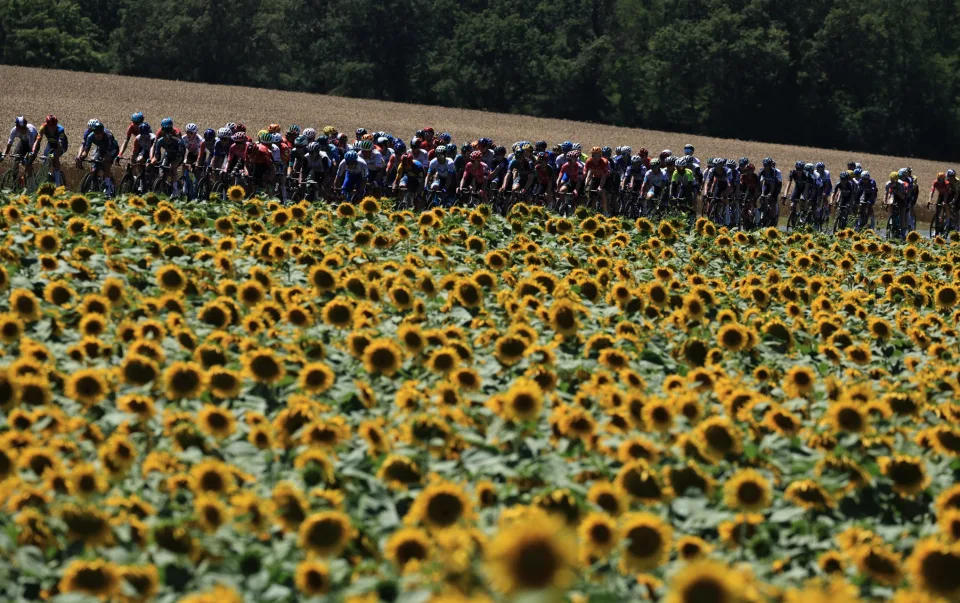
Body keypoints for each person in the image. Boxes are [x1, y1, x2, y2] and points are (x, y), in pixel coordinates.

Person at [76, 120, 119, 196]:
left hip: (113, 149)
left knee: (106, 164)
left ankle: (108, 187)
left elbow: (108, 153)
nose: (97, 135)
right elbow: (86, 151)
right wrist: (81, 157)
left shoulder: (108, 135)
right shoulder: (90, 136)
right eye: (96, 133)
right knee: (94, 167)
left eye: (99, 133)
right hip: (101, 149)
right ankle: (94, 182)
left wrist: (104, 159)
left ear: (103, 132)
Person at [150, 118, 186, 196]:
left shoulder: (177, 133)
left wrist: (175, 164)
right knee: (162, 171)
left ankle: (175, 190)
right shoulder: (160, 138)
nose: (166, 136)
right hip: (168, 153)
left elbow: (181, 151)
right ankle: (162, 188)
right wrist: (153, 160)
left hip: (178, 154)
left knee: (173, 167)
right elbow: (156, 153)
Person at [31, 114, 68, 186]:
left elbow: (60, 145)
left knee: (55, 158)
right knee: (45, 160)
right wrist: (33, 151)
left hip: (61, 145)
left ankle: (57, 182)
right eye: (50, 126)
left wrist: (54, 154)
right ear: (47, 124)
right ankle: (46, 175)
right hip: (50, 144)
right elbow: (37, 141)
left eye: (54, 126)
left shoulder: (60, 129)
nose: (52, 128)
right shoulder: (43, 128)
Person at [2, 116, 39, 180]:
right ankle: (15, 179)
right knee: (16, 158)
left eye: (18, 126)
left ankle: (30, 181)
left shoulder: (31, 131)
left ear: (23, 127)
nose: (16, 127)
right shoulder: (14, 130)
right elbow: (9, 144)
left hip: (34, 145)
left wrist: (27, 158)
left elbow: (31, 148)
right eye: (16, 125)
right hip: (23, 143)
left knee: (28, 162)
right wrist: (3, 156)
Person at [583, 146, 610, 213]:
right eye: (593, 155)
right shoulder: (589, 161)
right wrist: (586, 185)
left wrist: (600, 187)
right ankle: (593, 211)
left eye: (597, 155)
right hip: (595, 178)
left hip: (605, 178)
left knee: (602, 193)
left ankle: (605, 211)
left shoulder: (604, 162)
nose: (595, 157)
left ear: (600, 155)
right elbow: (587, 175)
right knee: (592, 196)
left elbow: (604, 176)